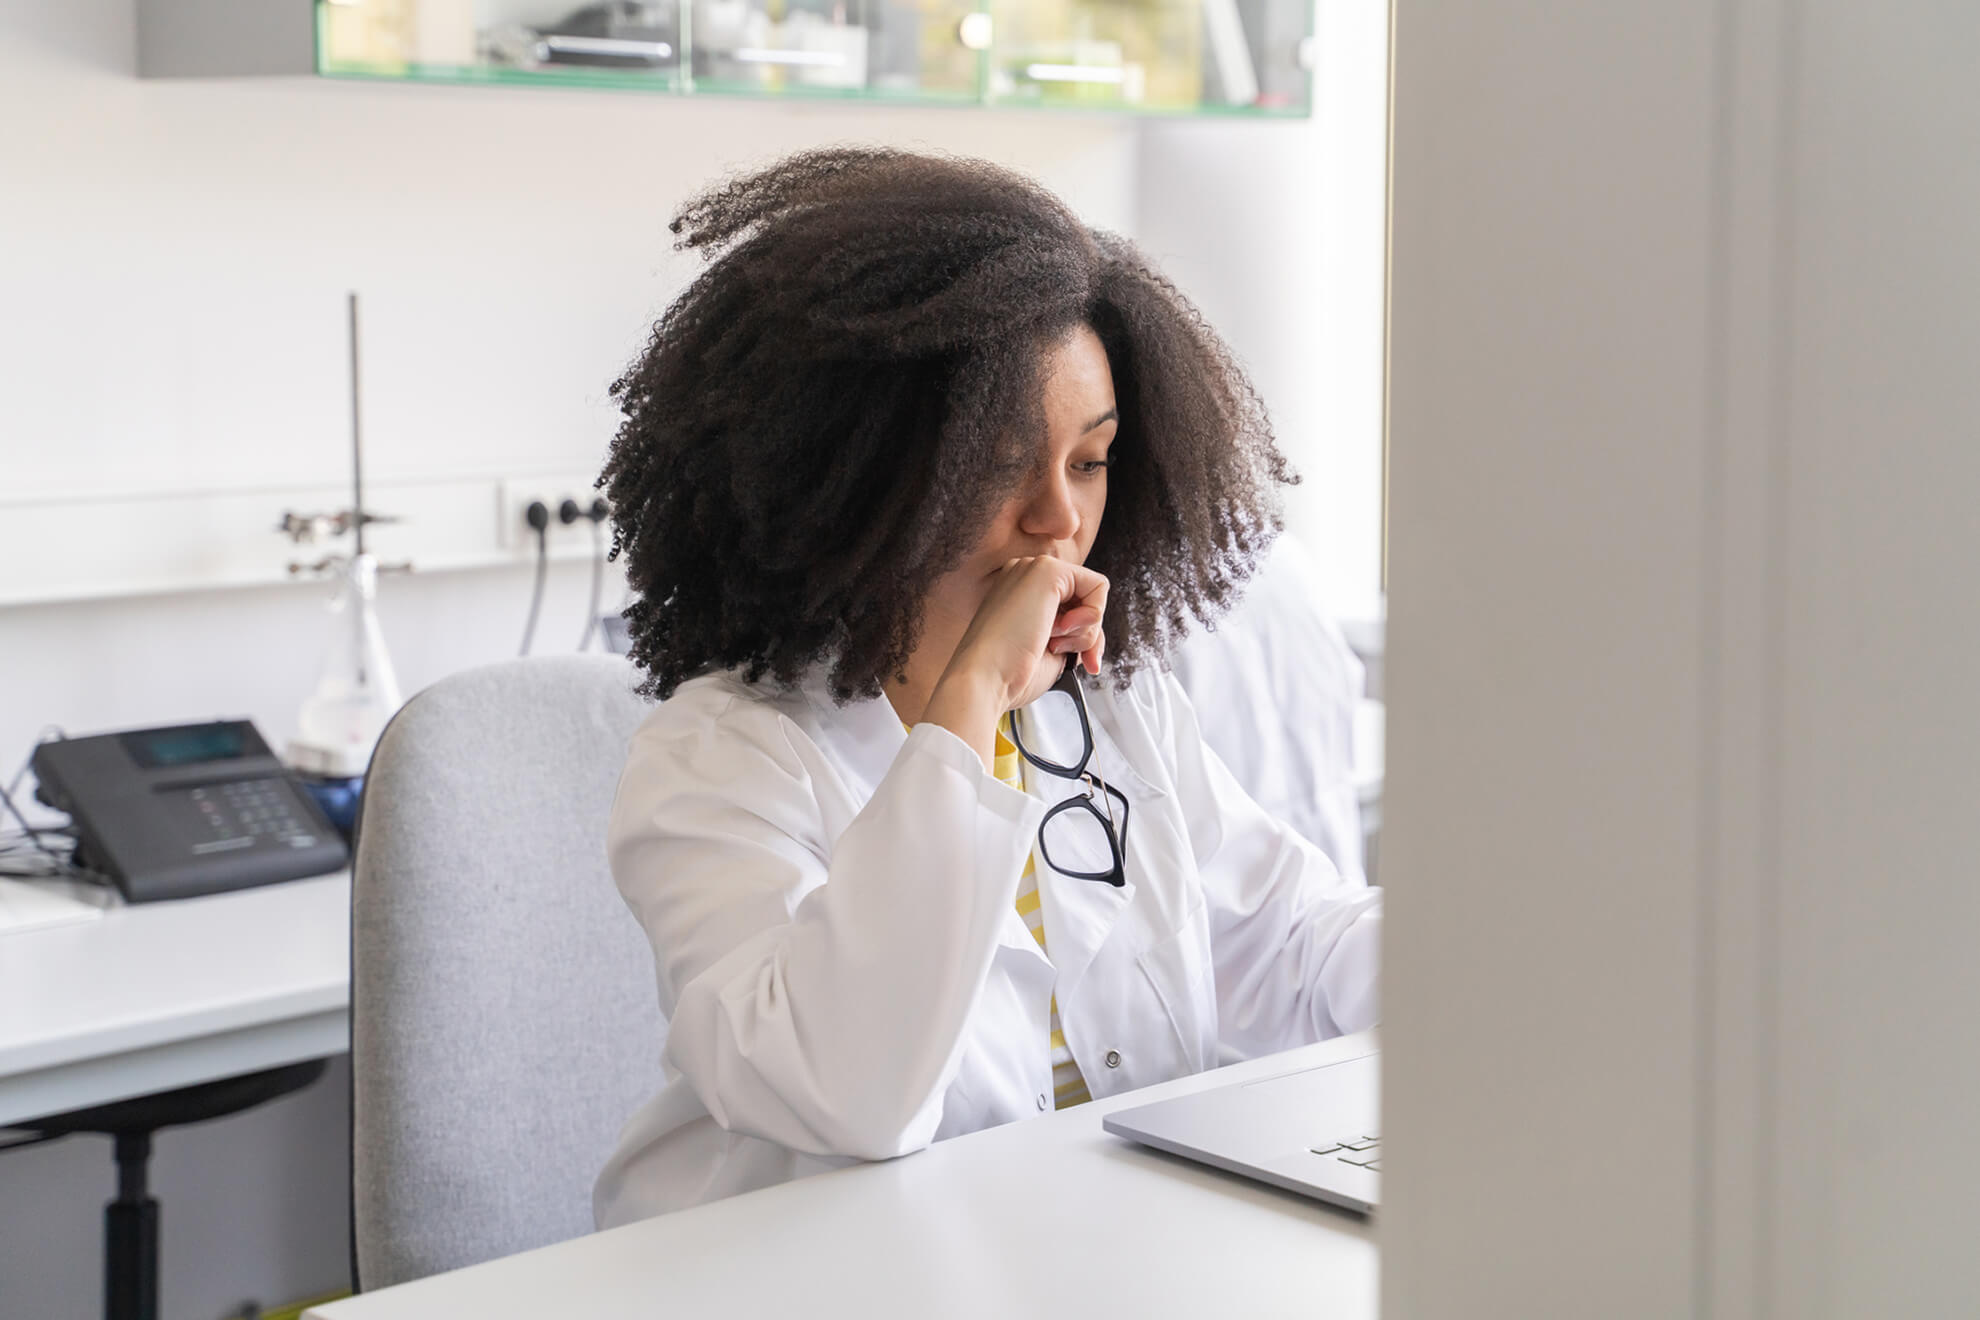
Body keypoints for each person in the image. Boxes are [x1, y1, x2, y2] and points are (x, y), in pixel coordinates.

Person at [593, 148, 1380, 1228]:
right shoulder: (723, 758)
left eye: (1090, 462)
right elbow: (850, 1090)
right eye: (1001, 465)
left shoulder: (1110, 707)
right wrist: (970, 700)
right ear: (860, 475)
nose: (1059, 519)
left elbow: (1291, 941)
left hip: (1073, 1258)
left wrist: (1499, 972)